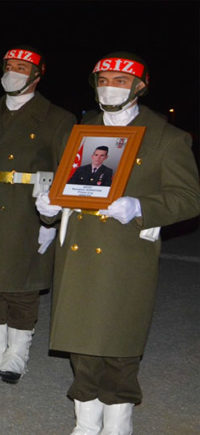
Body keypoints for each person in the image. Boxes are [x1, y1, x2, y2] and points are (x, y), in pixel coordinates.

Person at [36, 52, 200, 435]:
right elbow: (69, 185)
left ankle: (117, 424)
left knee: (119, 341)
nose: (111, 86)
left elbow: (190, 197)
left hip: (125, 250)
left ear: (140, 87)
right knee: (81, 339)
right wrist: (50, 207)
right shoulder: (81, 130)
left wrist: (141, 206)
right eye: (104, 79)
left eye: (121, 80)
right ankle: (86, 422)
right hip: (78, 245)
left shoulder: (165, 136)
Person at [0, 46, 76, 383]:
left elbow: (64, 171)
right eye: (9, 65)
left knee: (22, 288)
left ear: (37, 75)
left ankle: (17, 354)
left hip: (29, 211)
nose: (13, 72)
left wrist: (51, 222)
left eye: (22, 67)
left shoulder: (57, 118)